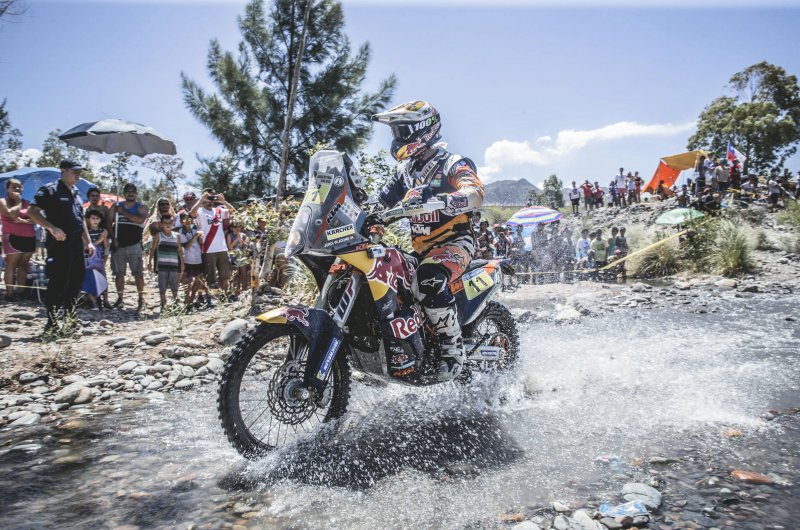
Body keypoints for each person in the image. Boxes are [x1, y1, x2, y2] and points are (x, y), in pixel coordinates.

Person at [373, 100, 484, 381]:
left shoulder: (452, 163)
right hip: (422, 249)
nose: (397, 138)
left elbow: (474, 192)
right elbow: (380, 200)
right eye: (396, 132)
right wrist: (365, 214)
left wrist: (445, 200)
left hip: (455, 243)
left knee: (428, 279)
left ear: (423, 130)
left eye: (402, 131)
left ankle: (452, 349)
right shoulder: (405, 171)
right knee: (390, 276)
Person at [27, 160, 95, 332]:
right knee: (59, 280)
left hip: (76, 243)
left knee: (76, 280)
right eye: (74, 171)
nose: (78, 175)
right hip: (59, 242)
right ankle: (52, 321)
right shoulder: (50, 190)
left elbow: (81, 220)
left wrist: (88, 241)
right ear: (63, 171)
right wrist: (52, 228)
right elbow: (32, 212)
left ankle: (70, 318)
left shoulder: (77, 193)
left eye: (80, 171)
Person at [108, 183, 148, 312]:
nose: (130, 193)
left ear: (136, 193)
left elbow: (139, 220)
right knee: (119, 274)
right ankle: (120, 298)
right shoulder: (116, 206)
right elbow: (108, 223)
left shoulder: (141, 207)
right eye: (128, 191)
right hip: (118, 244)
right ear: (124, 193)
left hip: (134, 244)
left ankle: (141, 298)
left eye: (133, 191)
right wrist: (113, 239)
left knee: (138, 273)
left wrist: (123, 212)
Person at [190, 189, 237, 298]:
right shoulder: (200, 211)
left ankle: (223, 297)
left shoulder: (219, 210)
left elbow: (233, 212)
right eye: (208, 197)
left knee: (225, 275)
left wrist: (223, 201)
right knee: (210, 277)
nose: (210, 200)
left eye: (212, 197)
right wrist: (201, 199)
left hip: (222, 248)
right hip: (208, 248)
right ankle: (209, 298)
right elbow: (191, 213)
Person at [1, 178, 36, 301]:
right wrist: (18, 201)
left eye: (19, 187)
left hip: (29, 237)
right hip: (12, 237)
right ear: (7, 189)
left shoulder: (28, 203)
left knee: (23, 266)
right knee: (11, 265)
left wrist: (24, 221)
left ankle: (20, 292)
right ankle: (9, 294)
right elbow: (11, 214)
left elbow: (36, 219)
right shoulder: (3, 201)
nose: (17, 189)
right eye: (13, 187)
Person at [148, 213, 184, 309]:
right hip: (162, 265)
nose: (168, 225)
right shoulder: (159, 235)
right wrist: (149, 262)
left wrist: (182, 264)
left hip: (174, 265)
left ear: (173, 223)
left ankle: (176, 303)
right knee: (162, 284)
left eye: (170, 223)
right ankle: (163, 304)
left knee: (174, 284)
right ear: (161, 224)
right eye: (165, 223)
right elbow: (153, 249)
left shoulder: (177, 236)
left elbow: (179, 250)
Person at [177, 213, 208, 310]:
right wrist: (195, 236)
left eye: (189, 219)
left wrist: (200, 238)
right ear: (181, 221)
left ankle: (191, 300)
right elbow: (186, 246)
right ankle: (186, 301)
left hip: (198, 258)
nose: (187, 221)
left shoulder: (196, 228)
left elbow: (200, 243)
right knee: (188, 282)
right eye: (184, 220)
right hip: (188, 259)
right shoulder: (181, 232)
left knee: (198, 280)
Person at [85, 210, 110, 309]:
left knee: (103, 278)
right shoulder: (86, 232)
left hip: (100, 258)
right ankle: (93, 301)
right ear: (88, 220)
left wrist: (104, 238)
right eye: (93, 218)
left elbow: (106, 246)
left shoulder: (103, 231)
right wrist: (99, 240)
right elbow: (86, 245)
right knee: (89, 279)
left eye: (97, 218)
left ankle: (106, 300)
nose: (95, 221)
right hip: (88, 258)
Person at [226, 220, 250, 294]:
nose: (237, 228)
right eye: (235, 227)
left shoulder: (244, 235)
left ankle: (244, 290)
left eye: (239, 227)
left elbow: (246, 246)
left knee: (244, 274)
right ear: (232, 228)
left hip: (242, 256)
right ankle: (236, 291)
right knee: (236, 274)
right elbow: (229, 247)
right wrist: (236, 240)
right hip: (234, 256)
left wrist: (241, 240)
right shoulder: (229, 235)